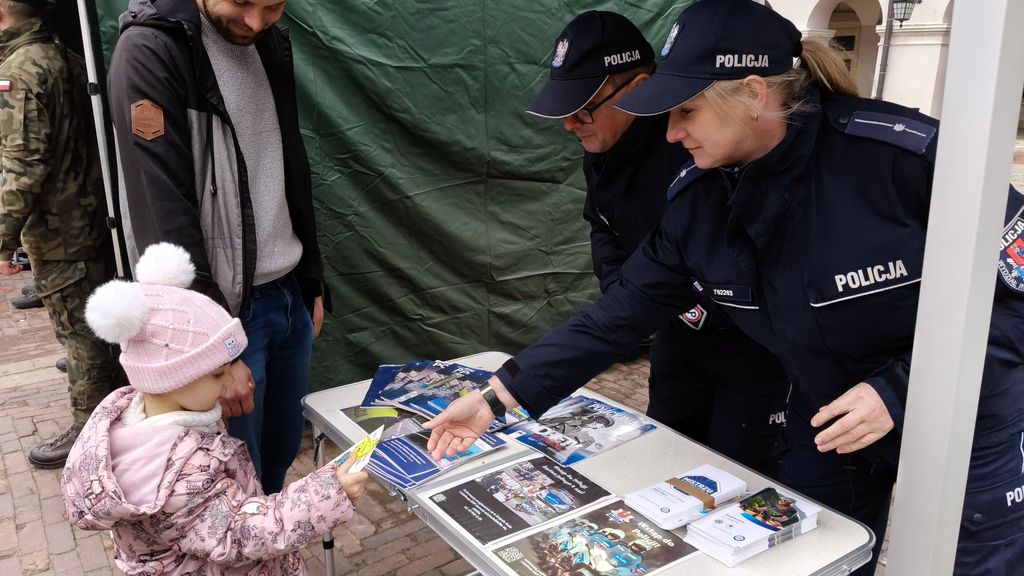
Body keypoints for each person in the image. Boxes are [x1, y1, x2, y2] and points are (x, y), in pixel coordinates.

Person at [425, 1, 1024, 574]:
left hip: (970, 415)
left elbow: (1016, 303)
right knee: (813, 562)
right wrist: (497, 397)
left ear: (754, 94)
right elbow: (618, 314)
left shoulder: (907, 159)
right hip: (827, 416)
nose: (669, 134)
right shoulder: (700, 200)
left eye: (686, 111)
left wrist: (900, 389)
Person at [525, 10, 789, 475]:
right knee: (667, 456)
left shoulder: (699, 151)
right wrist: (626, 294)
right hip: (673, 333)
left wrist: (682, 304)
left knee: (741, 471)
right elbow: (602, 224)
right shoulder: (603, 148)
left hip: (748, 344)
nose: (571, 124)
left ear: (638, 87)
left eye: (583, 108)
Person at [107, 0, 330, 493]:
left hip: (287, 293)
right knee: (233, 479)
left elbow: (287, 164)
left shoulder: (269, 43)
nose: (255, 21)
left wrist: (310, 279)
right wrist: (214, 354)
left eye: (273, 6)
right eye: (242, 2)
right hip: (223, 314)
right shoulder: (151, 50)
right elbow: (162, 213)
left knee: (278, 457)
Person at [61, 243, 368, 576]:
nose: (230, 382)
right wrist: (328, 493)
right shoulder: (178, 478)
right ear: (172, 378)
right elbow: (238, 534)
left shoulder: (142, 416)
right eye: (218, 373)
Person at [0, 0, 122, 469]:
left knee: (79, 332)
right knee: (96, 323)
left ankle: (90, 434)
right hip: (90, 215)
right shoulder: (64, 56)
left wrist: (3, 238)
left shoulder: (19, 70)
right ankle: (113, 409)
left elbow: (23, 167)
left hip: (60, 229)